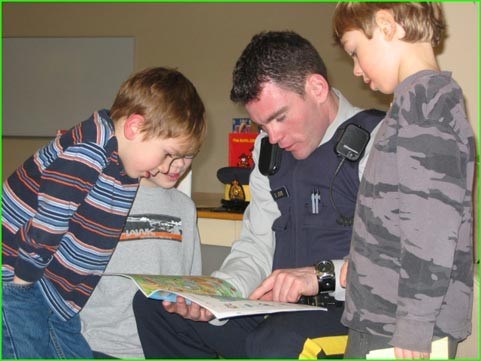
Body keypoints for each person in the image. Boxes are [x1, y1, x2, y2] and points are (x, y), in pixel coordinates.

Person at [133, 30, 385, 359]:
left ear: (316, 88)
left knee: (276, 341)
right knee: (159, 309)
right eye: (263, 126)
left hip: (351, 317)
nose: (274, 136)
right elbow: (256, 247)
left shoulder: (379, 142)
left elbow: (391, 263)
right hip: (278, 314)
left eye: (280, 117)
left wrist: (318, 276)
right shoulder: (268, 151)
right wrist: (219, 296)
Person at [2, 66, 206, 359]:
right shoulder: (88, 150)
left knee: (73, 351)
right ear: (135, 128)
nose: (168, 166)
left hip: (52, 290)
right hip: (20, 277)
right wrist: (22, 284)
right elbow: (51, 217)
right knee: (27, 349)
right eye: (167, 154)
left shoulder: (123, 166)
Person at [332, 2, 475, 359]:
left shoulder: (426, 104)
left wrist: (415, 324)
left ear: (386, 25)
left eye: (355, 52)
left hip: (399, 328)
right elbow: (400, 207)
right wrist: (362, 257)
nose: (356, 69)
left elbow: (431, 227)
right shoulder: (415, 103)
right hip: (386, 317)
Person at [80, 169, 202, 359]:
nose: (179, 164)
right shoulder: (98, 200)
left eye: (188, 155)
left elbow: (192, 278)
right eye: (171, 153)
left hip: (166, 343)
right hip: (102, 345)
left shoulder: (185, 206)